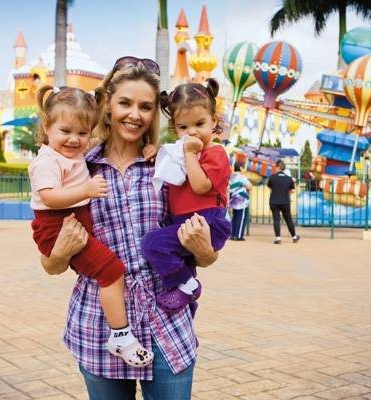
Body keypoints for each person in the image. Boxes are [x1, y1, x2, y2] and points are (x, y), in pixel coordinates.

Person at [40, 56, 218, 400]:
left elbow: (207, 257)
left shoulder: (170, 167)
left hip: (166, 318)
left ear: (155, 113)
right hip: (99, 323)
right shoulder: (76, 169)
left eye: (145, 106)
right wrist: (60, 251)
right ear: (107, 103)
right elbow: (51, 264)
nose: (134, 114)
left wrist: (203, 248)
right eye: (125, 103)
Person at [29, 85, 155, 368]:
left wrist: (151, 146)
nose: (75, 140)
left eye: (82, 133)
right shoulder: (48, 161)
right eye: (66, 131)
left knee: (108, 269)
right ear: (47, 127)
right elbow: (49, 198)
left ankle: (121, 334)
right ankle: (121, 336)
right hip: (59, 225)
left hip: (73, 222)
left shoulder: (75, 154)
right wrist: (86, 190)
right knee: (111, 269)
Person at [140, 79, 231, 315]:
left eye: (200, 123)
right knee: (185, 266)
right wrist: (156, 152)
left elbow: (201, 186)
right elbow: (169, 170)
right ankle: (188, 313)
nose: (192, 132)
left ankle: (189, 286)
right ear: (174, 128)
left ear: (214, 121)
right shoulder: (179, 152)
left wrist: (190, 153)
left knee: (153, 244)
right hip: (182, 222)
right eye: (183, 127)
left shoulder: (216, 153)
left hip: (206, 222)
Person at [267, 159, 300, 244]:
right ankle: (294, 237)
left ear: (278, 167)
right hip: (285, 201)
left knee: (276, 219)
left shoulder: (272, 177)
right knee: (288, 219)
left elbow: (270, 187)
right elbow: (292, 191)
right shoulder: (289, 179)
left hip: (274, 201)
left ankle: (278, 238)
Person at [229, 161, 252, 241]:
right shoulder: (242, 177)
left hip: (233, 200)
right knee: (241, 218)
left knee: (235, 217)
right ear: (241, 168)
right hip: (242, 201)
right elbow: (250, 186)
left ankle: (232, 234)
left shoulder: (231, 176)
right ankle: (238, 236)